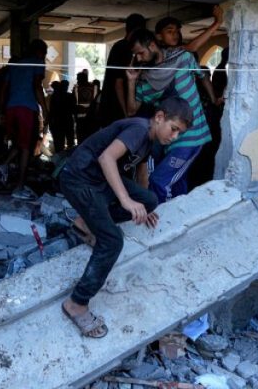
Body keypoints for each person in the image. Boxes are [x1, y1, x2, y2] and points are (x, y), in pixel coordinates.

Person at [59, 96, 191, 338]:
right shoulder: (139, 129)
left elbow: (141, 172)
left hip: (97, 181)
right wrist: (125, 200)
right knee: (112, 241)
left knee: (150, 200)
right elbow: (106, 158)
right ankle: (76, 303)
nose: (175, 137)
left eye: (179, 134)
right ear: (159, 118)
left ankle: (85, 222)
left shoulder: (152, 141)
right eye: (174, 129)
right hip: (79, 178)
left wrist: (144, 206)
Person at [125, 29, 212, 202]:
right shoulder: (146, 80)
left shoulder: (183, 59)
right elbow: (131, 110)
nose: (139, 59)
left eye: (140, 53)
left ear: (151, 45)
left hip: (192, 137)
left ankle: (161, 221)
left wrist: (214, 98)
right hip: (169, 141)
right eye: (136, 55)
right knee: (177, 183)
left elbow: (202, 76)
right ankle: (179, 222)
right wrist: (131, 81)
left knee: (159, 181)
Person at [0, 39, 49, 197]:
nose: (44, 57)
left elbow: (4, 89)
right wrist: (45, 109)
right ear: (40, 52)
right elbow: (37, 86)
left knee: (20, 142)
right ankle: (19, 186)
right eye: (44, 53)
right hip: (26, 108)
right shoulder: (38, 62)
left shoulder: (15, 64)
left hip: (11, 108)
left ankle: (4, 165)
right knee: (27, 147)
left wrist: (1, 112)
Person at [154, 16, 217, 107]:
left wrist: (213, 99)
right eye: (170, 31)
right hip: (167, 107)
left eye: (177, 31)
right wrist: (217, 23)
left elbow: (203, 76)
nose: (175, 34)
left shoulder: (185, 56)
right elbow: (192, 47)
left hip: (190, 105)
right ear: (159, 36)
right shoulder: (155, 57)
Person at [100, 14, 146, 129]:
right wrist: (126, 114)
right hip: (118, 109)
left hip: (111, 109)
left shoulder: (118, 46)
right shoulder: (124, 48)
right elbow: (118, 84)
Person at [48, 80, 76, 153]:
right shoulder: (70, 96)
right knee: (70, 143)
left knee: (59, 144)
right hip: (68, 121)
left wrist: (50, 123)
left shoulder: (54, 97)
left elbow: (51, 111)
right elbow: (74, 110)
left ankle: (59, 160)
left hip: (58, 123)